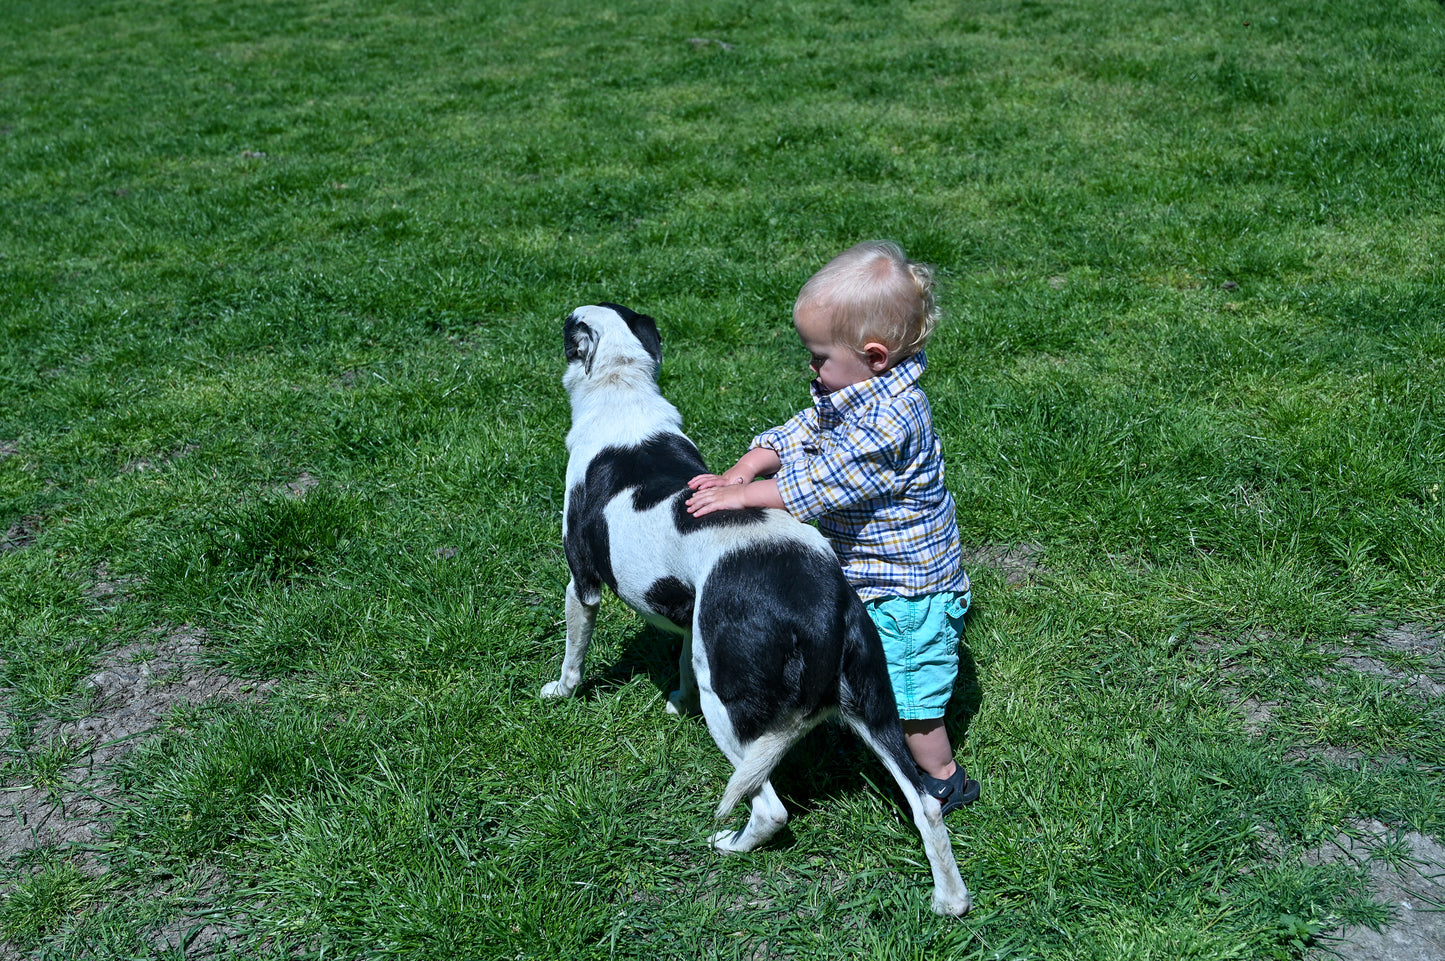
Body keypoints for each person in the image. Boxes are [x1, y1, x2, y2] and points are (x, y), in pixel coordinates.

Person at [685, 240, 979, 814]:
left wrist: (744, 496)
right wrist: (748, 463)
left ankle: (942, 776)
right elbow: (804, 430)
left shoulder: (893, 419)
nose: (811, 369)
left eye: (819, 356)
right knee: (862, 665)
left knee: (912, 696)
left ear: (874, 356)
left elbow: (819, 486)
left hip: (909, 591)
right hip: (867, 570)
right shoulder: (853, 390)